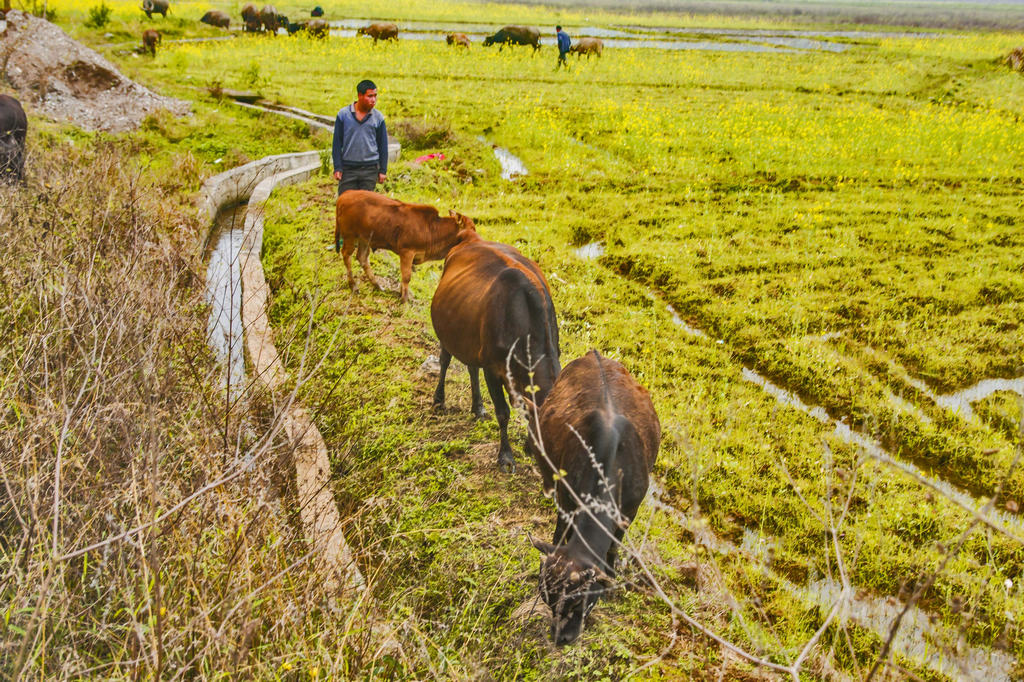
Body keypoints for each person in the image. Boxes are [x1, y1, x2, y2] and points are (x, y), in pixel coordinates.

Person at [332, 80, 388, 195]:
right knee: (347, 204)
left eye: (375, 96)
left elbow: (383, 146)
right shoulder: (343, 115)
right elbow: (337, 143)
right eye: (370, 96)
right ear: (360, 96)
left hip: (370, 170)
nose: (373, 100)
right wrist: (338, 167)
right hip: (348, 169)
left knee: (365, 207)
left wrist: (382, 170)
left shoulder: (378, 118)